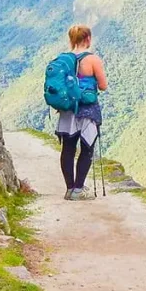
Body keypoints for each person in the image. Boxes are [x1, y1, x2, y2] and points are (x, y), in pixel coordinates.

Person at [56, 24, 108, 200]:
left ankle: (69, 189)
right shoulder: (93, 60)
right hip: (87, 110)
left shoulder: (63, 60)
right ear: (88, 39)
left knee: (68, 149)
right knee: (86, 148)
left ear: (72, 40)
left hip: (67, 110)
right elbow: (103, 85)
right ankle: (79, 189)